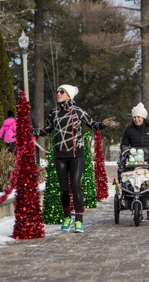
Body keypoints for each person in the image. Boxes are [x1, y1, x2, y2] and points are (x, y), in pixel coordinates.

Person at [33, 84, 117, 233]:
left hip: (76, 154)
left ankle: (79, 220)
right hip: (59, 156)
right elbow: (46, 130)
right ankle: (67, 216)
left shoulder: (77, 111)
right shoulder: (54, 113)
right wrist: (28, 131)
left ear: (69, 95)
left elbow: (93, 125)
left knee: (76, 186)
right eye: (58, 91)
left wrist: (103, 124)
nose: (58, 94)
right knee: (64, 189)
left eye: (61, 91)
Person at [120, 102, 149, 220]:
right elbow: (124, 144)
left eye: (138, 117)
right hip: (133, 160)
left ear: (143, 117)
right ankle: (136, 206)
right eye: (134, 117)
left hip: (148, 159)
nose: (136, 119)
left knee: (148, 182)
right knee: (133, 181)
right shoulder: (129, 130)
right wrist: (125, 151)